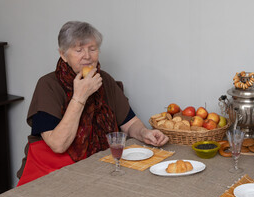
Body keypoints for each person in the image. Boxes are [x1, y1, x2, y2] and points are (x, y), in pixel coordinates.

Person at [17, 21, 169, 186]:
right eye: (79, 50)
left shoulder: (105, 80)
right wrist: (80, 97)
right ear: (63, 54)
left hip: (98, 166)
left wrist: (144, 133)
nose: (87, 56)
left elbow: (129, 122)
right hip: (52, 174)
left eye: (92, 49)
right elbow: (58, 144)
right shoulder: (48, 85)